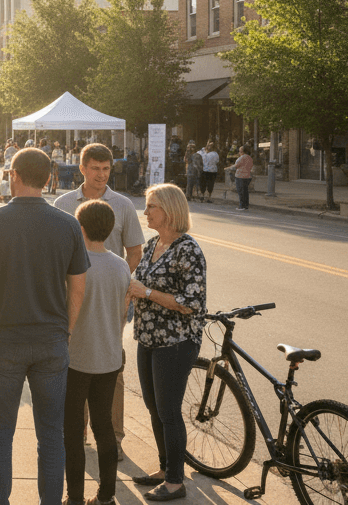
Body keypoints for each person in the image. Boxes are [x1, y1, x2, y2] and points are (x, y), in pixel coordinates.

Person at [0, 148, 89, 505]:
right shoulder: (68, 224)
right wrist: (65, 330)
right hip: (51, 340)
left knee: (0, 433)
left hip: (5, 338)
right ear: (49, 179)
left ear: (13, 175)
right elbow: (78, 288)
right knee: (51, 436)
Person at [52, 143, 145, 455]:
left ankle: (113, 437)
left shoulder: (123, 205)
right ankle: (76, 433)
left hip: (110, 297)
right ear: (82, 168)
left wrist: (118, 282)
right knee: (73, 362)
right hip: (71, 296)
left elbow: (134, 252)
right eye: (95, 169)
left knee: (111, 364)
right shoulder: (64, 204)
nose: (101, 175)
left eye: (106, 169)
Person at [128, 183, 207, 502]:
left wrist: (146, 293)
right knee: (153, 408)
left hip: (175, 341)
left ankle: (175, 481)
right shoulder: (153, 244)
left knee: (169, 411)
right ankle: (165, 469)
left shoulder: (188, 250)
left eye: (152, 206)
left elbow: (192, 303)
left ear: (170, 210)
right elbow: (137, 283)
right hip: (148, 337)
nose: (145, 212)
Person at [64, 200, 131, 505]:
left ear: (80, 228)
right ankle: (106, 495)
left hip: (77, 358)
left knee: (72, 430)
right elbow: (123, 311)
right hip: (109, 357)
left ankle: (75, 497)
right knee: (104, 427)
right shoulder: (120, 265)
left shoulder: (74, 263)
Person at [233, 145, 254, 211]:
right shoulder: (250, 158)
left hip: (240, 176)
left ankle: (241, 205)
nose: (239, 152)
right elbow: (251, 166)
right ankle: (246, 205)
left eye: (240, 150)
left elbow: (236, 165)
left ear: (242, 151)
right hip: (247, 176)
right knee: (245, 191)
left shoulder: (241, 158)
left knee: (241, 191)